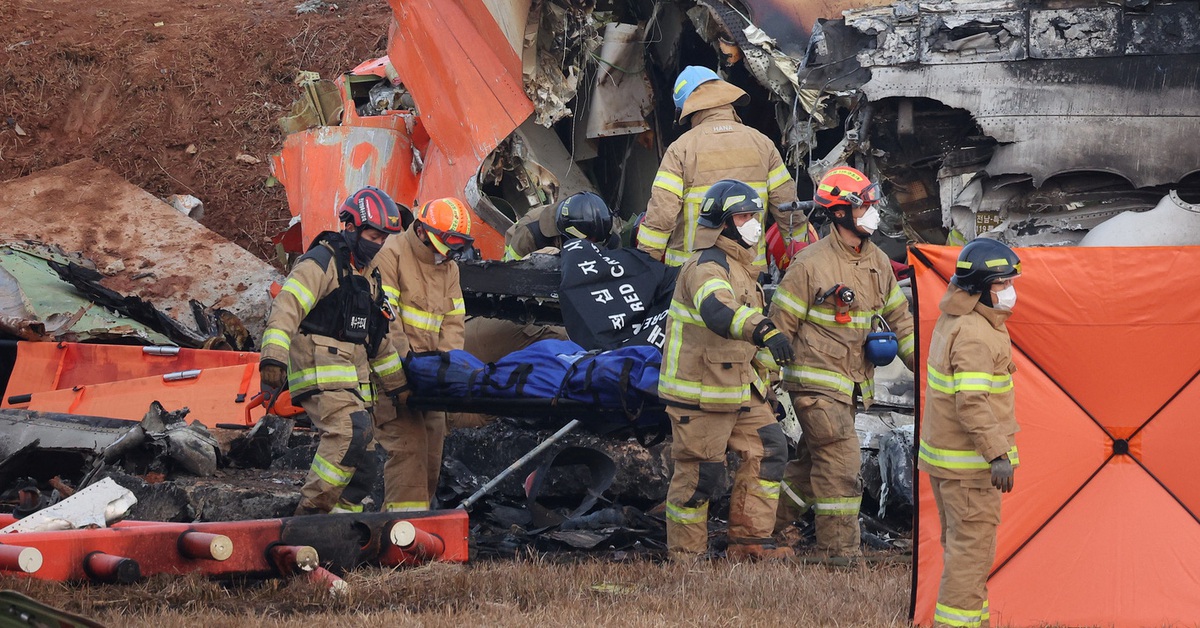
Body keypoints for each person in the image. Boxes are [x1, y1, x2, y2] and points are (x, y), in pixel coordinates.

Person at [769, 166, 916, 563]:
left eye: (872, 203)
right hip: (815, 388)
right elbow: (777, 329)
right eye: (864, 205)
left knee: (809, 468)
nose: (873, 211)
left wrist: (923, 365)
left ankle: (761, 528)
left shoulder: (878, 262)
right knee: (840, 464)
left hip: (850, 387)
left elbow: (900, 320)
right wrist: (763, 387)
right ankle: (838, 555)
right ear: (839, 213)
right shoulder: (809, 266)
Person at [659, 179, 796, 562]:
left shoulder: (741, 267)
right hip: (699, 393)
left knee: (770, 450)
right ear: (723, 222)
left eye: (755, 215)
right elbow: (718, 312)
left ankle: (749, 544)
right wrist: (765, 329)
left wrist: (766, 385)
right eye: (744, 216)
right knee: (700, 477)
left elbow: (743, 345)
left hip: (737, 388)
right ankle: (685, 561)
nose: (754, 223)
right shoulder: (706, 267)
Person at [259, 185, 411, 515]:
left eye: (384, 237)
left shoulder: (369, 277)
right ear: (351, 227)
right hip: (317, 366)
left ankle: (340, 530)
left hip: (351, 379)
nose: (379, 243)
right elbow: (287, 307)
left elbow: (377, 339)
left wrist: (399, 386)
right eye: (374, 235)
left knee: (366, 462)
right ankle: (308, 520)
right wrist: (273, 357)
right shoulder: (322, 261)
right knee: (348, 433)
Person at [919, 238, 1021, 628]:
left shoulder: (955, 319)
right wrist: (997, 454)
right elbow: (972, 403)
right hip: (971, 472)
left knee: (963, 552)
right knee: (970, 556)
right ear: (979, 288)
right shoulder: (977, 333)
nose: (1010, 291)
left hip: (950, 466)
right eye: (1001, 284)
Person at [637, 65, 814, 267]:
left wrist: (645, 266)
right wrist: (806, 263)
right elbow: (789, 210)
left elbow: (662, 215)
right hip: (751, 275)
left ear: (686, 107)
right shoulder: (762, 144)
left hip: (693, 277)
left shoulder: (681, 149)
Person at [369, 196, 474, 511]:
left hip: (432, 381)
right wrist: (405, 370)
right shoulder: (391, 255)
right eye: (447, 244)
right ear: (423, 232)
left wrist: (447, 369)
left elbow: (454, 322)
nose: (450, 253)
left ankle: (422, 532)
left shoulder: (449, 267)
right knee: (408, 453)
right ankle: (402, 536)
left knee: (430, 456)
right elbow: (386, 321)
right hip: (395, 377)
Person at [503, 191, 620, 261]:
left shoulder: (606, 230)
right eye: (587, 242)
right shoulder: (529, 233)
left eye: (595, 243)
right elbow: (511, 273)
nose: (592, 245)